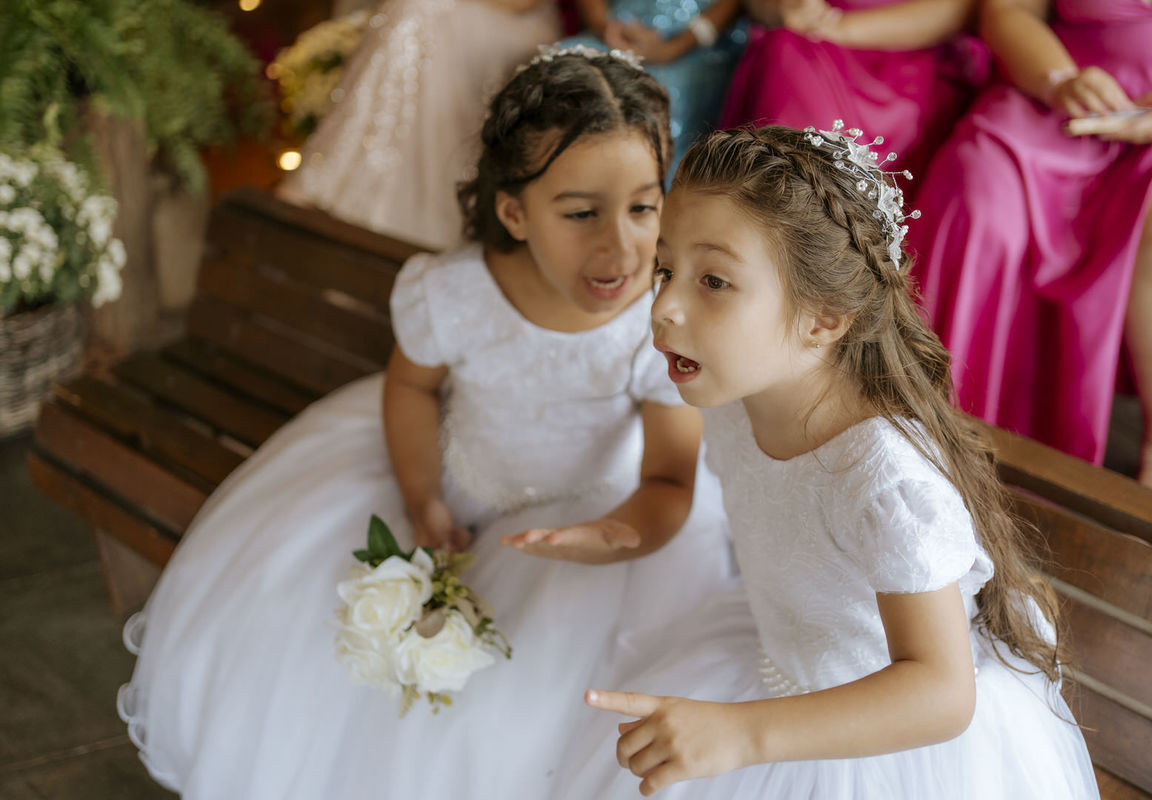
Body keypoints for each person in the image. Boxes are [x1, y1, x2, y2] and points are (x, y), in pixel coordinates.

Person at [118, 49, 734, 800]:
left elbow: (670, 478)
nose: (621, 245)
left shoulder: (655, 322)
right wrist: (420, 498)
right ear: (514, 211)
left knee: (525, 703)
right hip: (458, 484)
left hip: (610, 519)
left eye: (644, 207)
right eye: (580, 213)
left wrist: (611, 535)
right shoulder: (454, 292)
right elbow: (410, 388)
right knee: (314, 644)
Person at [551, 125, 1098, 798]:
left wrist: (741, 734)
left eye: (713, 280)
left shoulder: (883, 483)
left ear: (825, 317)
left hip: (881, 742)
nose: (664, 305)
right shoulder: (730, 397)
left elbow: (941, 692)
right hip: (771, 659)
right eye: (666, 269)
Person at [907, 0, 1152, 500]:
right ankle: (927, 421)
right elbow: (1009, 10)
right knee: (977, 198)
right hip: (1055, 95)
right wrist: (1058, 80)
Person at [276, 0, 561, 250]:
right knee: (410, 8)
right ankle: (362, 173)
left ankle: (409, 205)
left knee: (417, 12)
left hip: (514, 18)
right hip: (458, 12)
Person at [720, 0, 986, 184]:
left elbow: (966, 8)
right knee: (786, 60)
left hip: (912, 45)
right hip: (806, 38)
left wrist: (837, 27)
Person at [563, 0, 747, 173]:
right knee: (563, 74)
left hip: (693, 46)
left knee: (661, 104)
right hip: (616, 32)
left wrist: (672, 48)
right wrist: (606, 28)